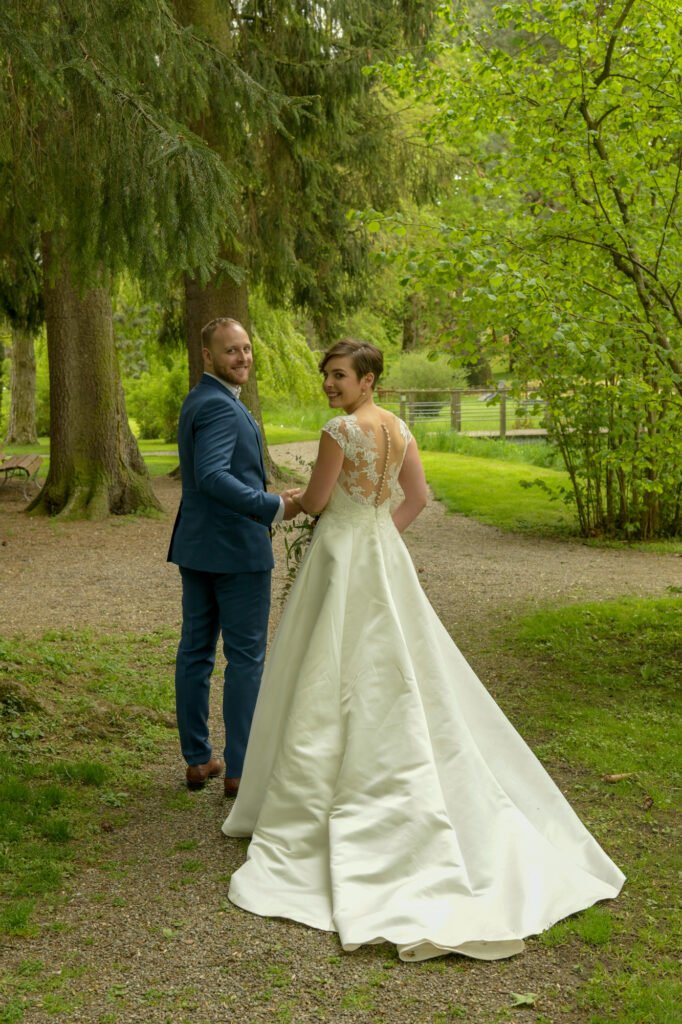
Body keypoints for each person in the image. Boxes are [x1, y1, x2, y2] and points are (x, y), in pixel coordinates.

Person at [222, 338, 624, 962]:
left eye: (338, 376)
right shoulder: (400, 429)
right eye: (326, 376)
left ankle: (318, 798)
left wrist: (303, 511)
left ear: (367, 379)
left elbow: (322, 501)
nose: (329, 385)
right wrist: (380, 535)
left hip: (341, 557)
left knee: (330, 668)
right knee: (398, 668)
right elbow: (418, 500)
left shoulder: (339, 431)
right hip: (383, 554)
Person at [168, 317, 298, 795]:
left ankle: (199, 760)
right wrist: (275, 506)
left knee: (196, 652)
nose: (242, 358)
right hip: (237, 551)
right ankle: (241, 769)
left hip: (198, 546)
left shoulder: (201, 398)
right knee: (245, 659)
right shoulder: (221, 407)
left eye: (246, 349)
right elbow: (212, 477)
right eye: (231, 351)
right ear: (208, 356)